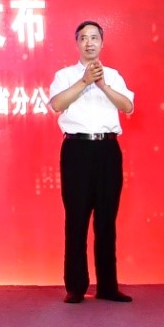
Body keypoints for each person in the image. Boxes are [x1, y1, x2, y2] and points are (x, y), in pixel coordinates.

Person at [48, 21, 135, 304]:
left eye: (94, 38)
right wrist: (85, 81)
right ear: (77, 43)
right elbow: (57, 104)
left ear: (102, 43)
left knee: (106, 220)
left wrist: (102, 85)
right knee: (76, 218)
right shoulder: (64, 75)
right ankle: (76, 286)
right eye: (83, 38)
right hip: (77, 149)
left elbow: (128, 106)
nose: (89, 43)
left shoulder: (114, 75)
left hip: (108, 149)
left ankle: (108, 286)